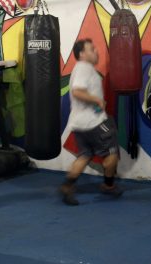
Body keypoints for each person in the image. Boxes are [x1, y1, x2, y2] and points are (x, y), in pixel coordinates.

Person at [59, 39, 123, 206]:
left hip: (79, 124)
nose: (96, 52)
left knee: (85, 155)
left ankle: (68, 185)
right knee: (112, 154)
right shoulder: (84, 68)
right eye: (92, 49)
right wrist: (97, 100)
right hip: (94, 122)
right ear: (81, 54)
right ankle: (108, 185)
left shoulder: (82, 69)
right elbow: (77, 91)